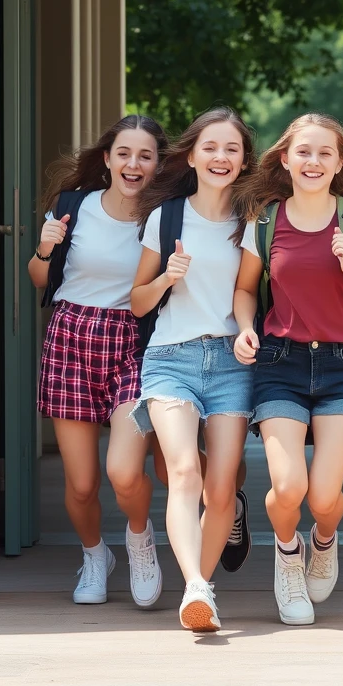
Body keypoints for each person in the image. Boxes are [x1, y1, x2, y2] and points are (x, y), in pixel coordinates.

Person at [232, 113, 343, 626]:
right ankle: (287, 556)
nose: (313, 161)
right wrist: (243, 326)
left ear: (339, 162)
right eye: (303, 151)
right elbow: (243, 290)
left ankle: (323, 539)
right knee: (288, 489)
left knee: (324, 496)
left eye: (325, 153)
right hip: (280, 361)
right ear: (285, 159)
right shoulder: (264, 221)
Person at [29, 114, 167, 607]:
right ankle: (94, 556)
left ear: (157, 165)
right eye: (124, 153)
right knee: (82, 485)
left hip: (133, 341)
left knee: (124, 472)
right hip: (71, 337)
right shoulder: (74, 207)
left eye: (145, 155)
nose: (134, 163)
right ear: (107, 159)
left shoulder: (165, 217)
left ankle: (139, 541)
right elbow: (40, 278)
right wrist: (44, 250)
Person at [130, 106, 256, 632]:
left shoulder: (253, 219)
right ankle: (197, 588)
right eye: (210, 147)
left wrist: (248, 329)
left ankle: (198, 589)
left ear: (244, 158)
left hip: (232, 362)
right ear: (192, 154)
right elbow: (137, 302)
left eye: (231, 148)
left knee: (220, 488)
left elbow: (247, 290)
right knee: (184, 471)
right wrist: (166, 278)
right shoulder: (167, 217)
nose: (220, 157)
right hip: (171, 360)